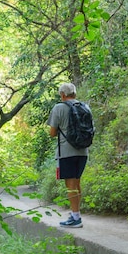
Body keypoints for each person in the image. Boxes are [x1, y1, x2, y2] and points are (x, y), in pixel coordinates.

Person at [47, 82, 89, 228]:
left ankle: (76, 218)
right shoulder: (84, 107)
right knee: (76, 182)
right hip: (83, 151)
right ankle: (75, 214)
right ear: (75, 94)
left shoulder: (59, 108)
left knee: (70, 184)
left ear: (62, 95)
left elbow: (52, 133)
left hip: (67, 152)